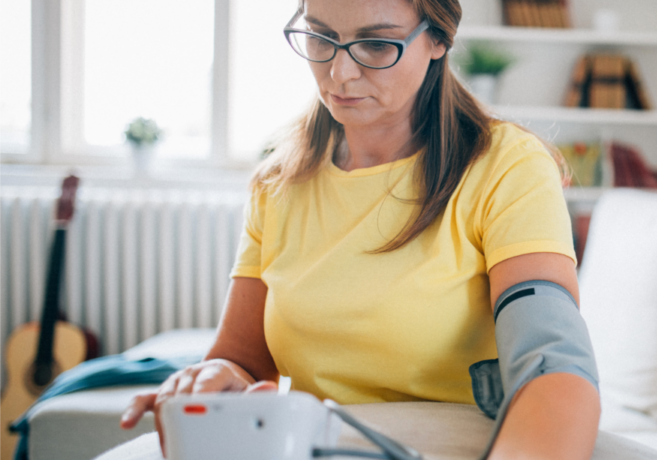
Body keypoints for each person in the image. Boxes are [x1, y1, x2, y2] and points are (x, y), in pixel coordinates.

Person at [120, 0, 600, 458]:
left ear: (438, 39)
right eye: (320, 36)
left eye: (375, 44)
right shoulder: (278, 181)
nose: (339, 73)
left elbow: (552, 362)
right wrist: (212, 380)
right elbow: (243, 360)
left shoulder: (505, 165)